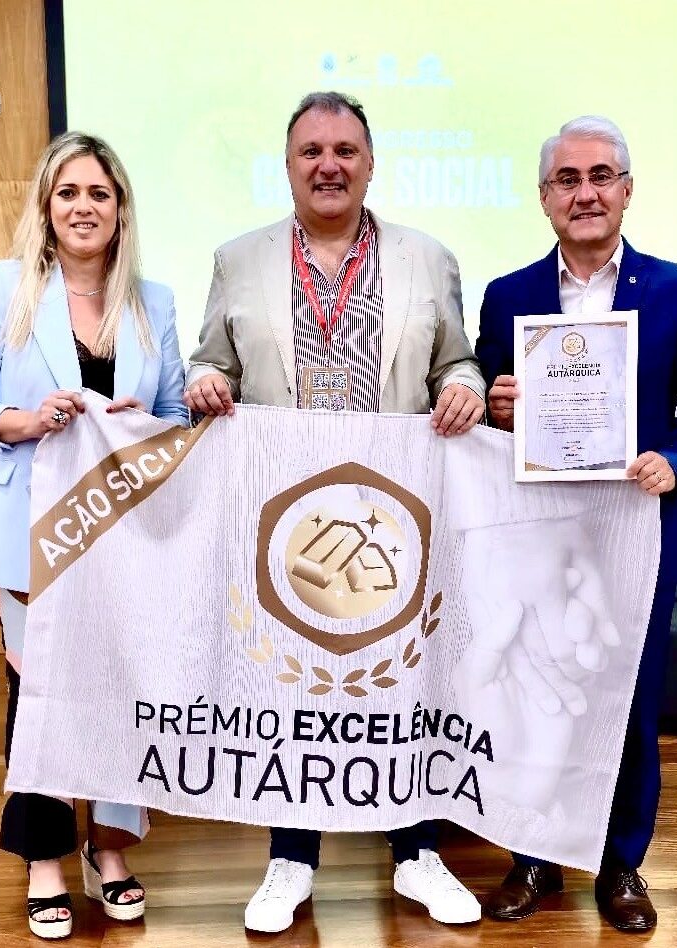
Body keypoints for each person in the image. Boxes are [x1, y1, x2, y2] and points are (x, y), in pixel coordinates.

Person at [185, 91, 485, 933]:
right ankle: (291, 860)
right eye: (311, 152)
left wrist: (465, 389)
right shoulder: (237, 260)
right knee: (292, 683)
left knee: (405, 683)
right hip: (287, 520)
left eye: (345, 151)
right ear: (288, 167)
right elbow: (211, 364)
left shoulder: (429, 258)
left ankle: (417, 854)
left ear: (370, 164)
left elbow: (457, 363)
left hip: (395, 519)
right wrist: (203, 383)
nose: (329, 165)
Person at [474, 115, 677, 934]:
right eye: (567, 179)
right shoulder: (507, 295)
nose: (584, 193)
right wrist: (497, 406)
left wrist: (676, 462)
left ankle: (621, 865)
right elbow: (484, 416)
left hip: (637, 539)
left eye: (599, 177)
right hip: (537, 545)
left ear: (626, 190)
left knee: (629, 708)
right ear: (544, 197)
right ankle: (533, 857)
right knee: (535, 705)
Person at [0, 131, 188, 940]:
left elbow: (176, 416)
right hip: (24, 526)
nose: (84, 207)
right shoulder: (6, 287)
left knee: (118, 682)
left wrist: (142, 421)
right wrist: (24, 419)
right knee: (41, 686)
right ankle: (44, 857)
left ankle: (107, 848)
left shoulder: (154, 302)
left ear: (121, 209)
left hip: (121, 531)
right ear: (47, 208)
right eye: (69, 193)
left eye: (99, 194)